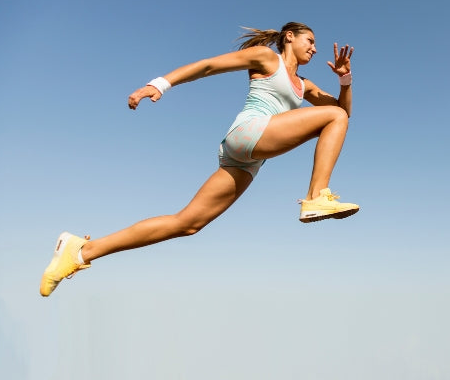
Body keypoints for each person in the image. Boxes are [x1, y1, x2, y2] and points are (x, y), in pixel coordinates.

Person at [40, 22, 359, 297]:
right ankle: (317, 196)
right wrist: (159, 84)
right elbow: (208, 65)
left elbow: (343, 114)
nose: (315, 49)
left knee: (188, 223)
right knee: (331, 116)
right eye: (310, 41)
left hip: (248, 160)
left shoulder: (305, 86)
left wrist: (345, 80)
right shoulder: (266, 58)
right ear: (289, 36)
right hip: (249, 132)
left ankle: (80, 251)